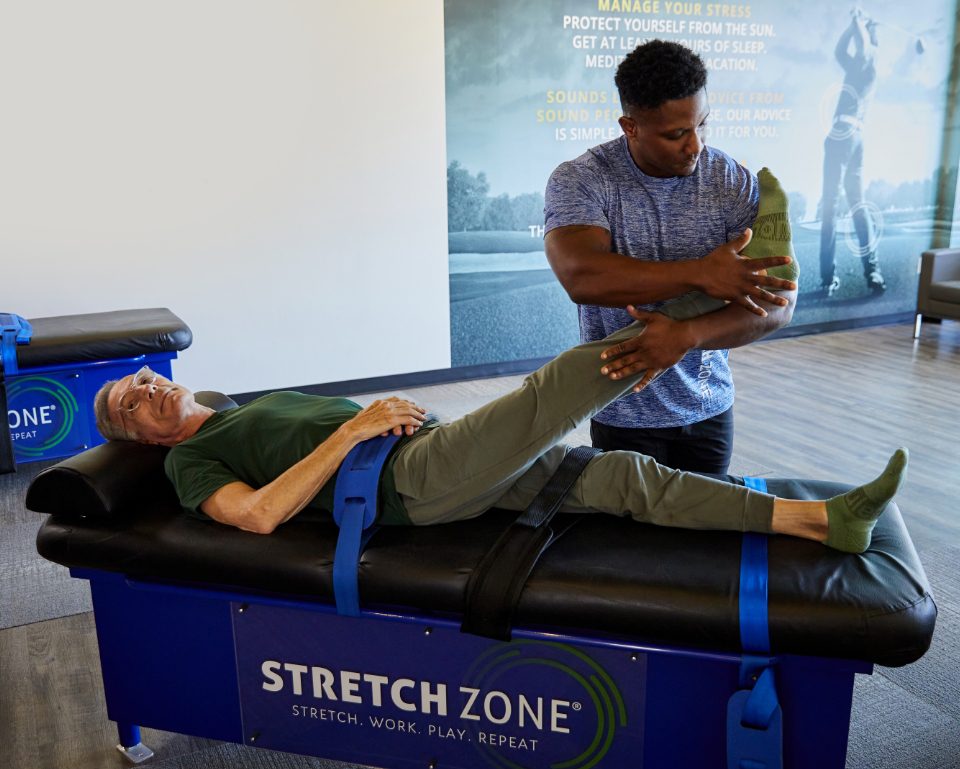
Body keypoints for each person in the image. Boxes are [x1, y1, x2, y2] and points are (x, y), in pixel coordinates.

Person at [93, 322, 906, 555]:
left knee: (620, 474)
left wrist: (376, 422)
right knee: (553, 390)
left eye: (151, 377)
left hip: (420, 453)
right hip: (408, 484)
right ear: (140, 436)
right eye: (136, 399)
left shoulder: (227, 409)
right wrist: (356, 429)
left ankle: (826, 522)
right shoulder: (193, 463)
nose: (154, 386)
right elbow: (262, 515)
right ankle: (704, 303)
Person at [544, 39, 798, 475]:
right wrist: (701, 275)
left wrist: (688, 335)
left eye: (703, 124)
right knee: (629, 543)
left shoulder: (730, 181)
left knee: (702, 542)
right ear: (631, 126)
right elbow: (582, 276)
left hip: (708, 411)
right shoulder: (583, 180)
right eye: (676, 134)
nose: (695, 145)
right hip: (621, 412)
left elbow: (780, 303)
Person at [819, 8, 885, 296]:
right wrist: (853, 25)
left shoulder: (869, 62)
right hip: (856, 139)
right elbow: (839, 50)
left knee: (831, 208)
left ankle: (828, 276)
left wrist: (858, 22)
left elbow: (862, 44)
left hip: (843, 136)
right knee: (857, 204)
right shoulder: (859, 69)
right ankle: (873, 271)